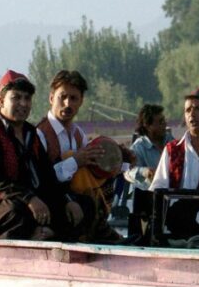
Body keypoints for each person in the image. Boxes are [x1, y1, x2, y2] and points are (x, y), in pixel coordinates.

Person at [0, 70, 86, 241]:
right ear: (2, 101)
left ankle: (44, 233)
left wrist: (67, 199)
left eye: (27, 98)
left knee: (81, 206)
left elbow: (47, 176)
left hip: (31, 201)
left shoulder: (31, 134)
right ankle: (39, 233)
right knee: (16, 211)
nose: (23, 103)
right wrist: (30, 198)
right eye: (16, 98)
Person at [36, 70, 134, 242]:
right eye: (62, 97)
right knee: (85, 204)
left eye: (73, 98)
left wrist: (117, 162)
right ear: (51, 98)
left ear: (81, 101)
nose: (67, 103)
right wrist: (75, 161)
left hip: (77, 198)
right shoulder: (40, 134)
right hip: (51, 199)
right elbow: (41, 178)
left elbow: (90, 171)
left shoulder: (78, 134)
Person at [124, 104, 172, 191]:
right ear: (148, 126)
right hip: (150, 194)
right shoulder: (138, 148)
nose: (165, 124)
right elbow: (130, 172)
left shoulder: (170, 140)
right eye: (160, 122)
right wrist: (145, 172)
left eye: (164, 120)